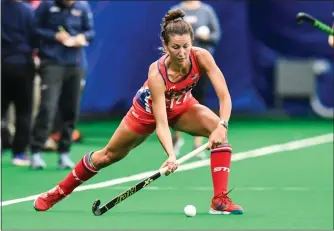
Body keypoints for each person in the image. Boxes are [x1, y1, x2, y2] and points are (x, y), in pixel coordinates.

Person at [33, 9, 243, 215]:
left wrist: (222, 125)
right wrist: (171, 155)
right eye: (176, 47)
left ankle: (219, 200)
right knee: (107, 156)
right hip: (146, 112)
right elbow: (161, 123)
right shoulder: (157, 73)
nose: (182, 53)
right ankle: (59, 192)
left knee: (219, 132)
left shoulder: (202, 57)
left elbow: (224, 96)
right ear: (165, 46)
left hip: (182, 106)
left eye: (186, 46)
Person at [29, 0, 94, 169]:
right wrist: (54, 36)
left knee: (71, 109)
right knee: (47, 107)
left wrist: (83, 37)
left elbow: (90, 32)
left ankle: (64, 152)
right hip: (52, 63)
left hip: (76, 64)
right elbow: (34, 29)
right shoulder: (47, 5)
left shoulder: (83, 6)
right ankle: (36, 151)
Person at [170, 0, 222, 158]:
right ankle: (176, 140)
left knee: (199, 100)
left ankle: (198, 144)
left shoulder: (207, 11)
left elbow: (216, 35)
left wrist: (205, 37)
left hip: (199, 66)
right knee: (174, 101)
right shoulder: (175, 10)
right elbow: (167, 36)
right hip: (179, 64)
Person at [1, 0, 37, 166]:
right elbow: (36, 37)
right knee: (24, 110)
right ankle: (19, 153)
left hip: (4, 64)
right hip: (23, 65)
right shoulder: (28, 11)